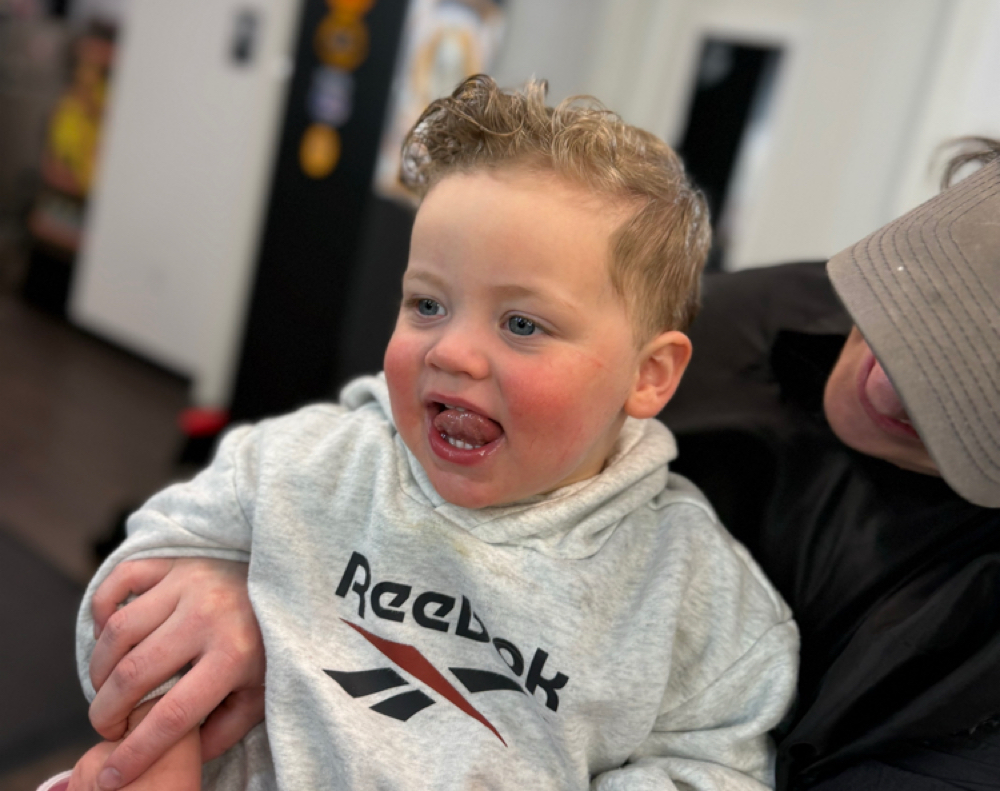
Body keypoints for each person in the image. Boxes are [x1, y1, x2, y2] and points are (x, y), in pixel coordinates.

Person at [57, 75, 798, 791]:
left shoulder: (686, 588)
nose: (450, 352)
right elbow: (127, 595)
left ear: (650, 376)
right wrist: (160, 731)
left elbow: (715, 767)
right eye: (427, 305)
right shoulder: (304, 465)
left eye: (521, 323)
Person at [663, 138, 1000, 789]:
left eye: (970, 393)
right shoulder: (721, 318)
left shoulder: (966, 680)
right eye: (933, 306)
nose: (883, 387)